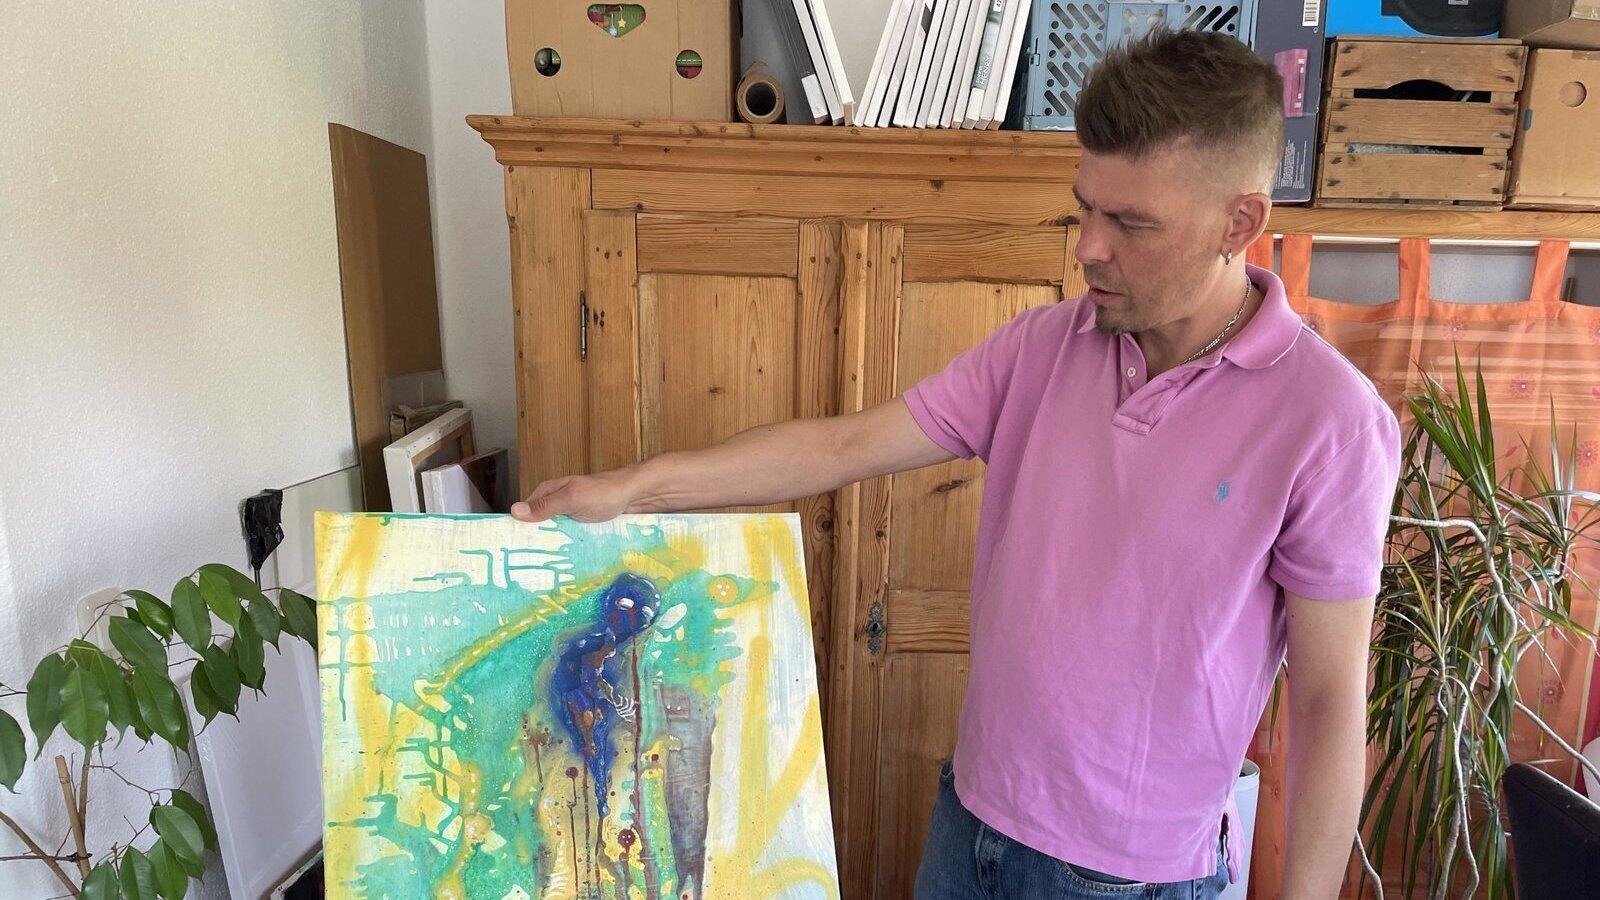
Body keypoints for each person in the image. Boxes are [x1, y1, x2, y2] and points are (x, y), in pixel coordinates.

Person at [511, 29, 1400, 900]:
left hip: (1133, 878)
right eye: (1086, 207)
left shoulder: (1330, 421)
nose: (1089, 246)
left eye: (1131, 223)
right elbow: (842, 445)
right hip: (969, 823)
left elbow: (1329, 704)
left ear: (1240, 222)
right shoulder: (1043, 345)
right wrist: (633, 488)